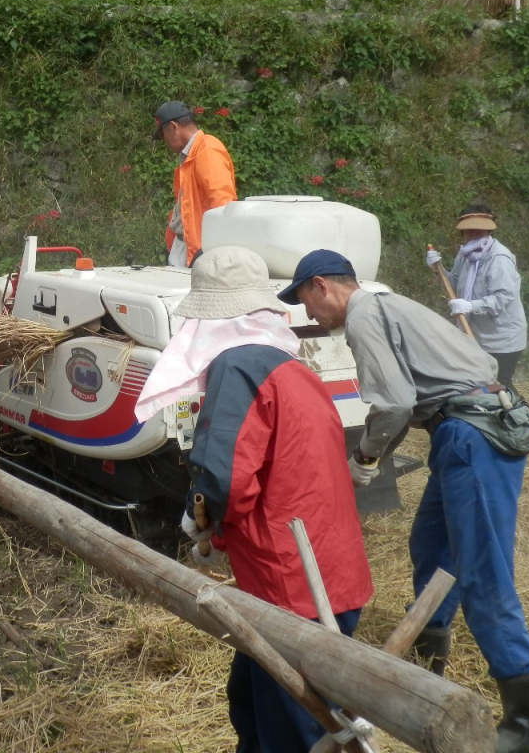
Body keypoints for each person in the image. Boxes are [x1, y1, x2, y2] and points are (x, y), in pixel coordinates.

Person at [283, 250, 529, 753]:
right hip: (463, 429)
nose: (310, 315)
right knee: (431, 545)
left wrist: (364, 457)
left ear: (322, 285)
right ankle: (428, 660)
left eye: (306, 302)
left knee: (482, 574)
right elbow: (437, 382)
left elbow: (395, 403)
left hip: (472, 436)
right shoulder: (391, 304)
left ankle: (527, 722)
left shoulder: (365, 317)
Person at [134, 247, 372, 753]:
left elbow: (225, 477)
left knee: (296, 729)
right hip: (329, 567)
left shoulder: (238, 368)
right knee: (248, 697)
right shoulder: (290, 366)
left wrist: (203, 518)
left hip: (291, 583)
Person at [426, 204, 528, 386]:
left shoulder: (499, 258)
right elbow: (455, 285)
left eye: (478, 229)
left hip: (502, 339)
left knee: (499, 386)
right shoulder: (464, 254)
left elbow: (503, 298)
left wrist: (471, 306)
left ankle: (519, 415)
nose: (473, 233)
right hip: (474, 335)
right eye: (468, 230)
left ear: (489, 230)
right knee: (479, 386)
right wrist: (438, 269)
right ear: (462, 233)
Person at [153, 100, 236, 268]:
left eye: (163, 134)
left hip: (199, 251)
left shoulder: (207, 148)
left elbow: (223, 204)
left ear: (174, 127)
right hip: (186, 246)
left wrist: (209, 253)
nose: (164, 141)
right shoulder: (191, 154)